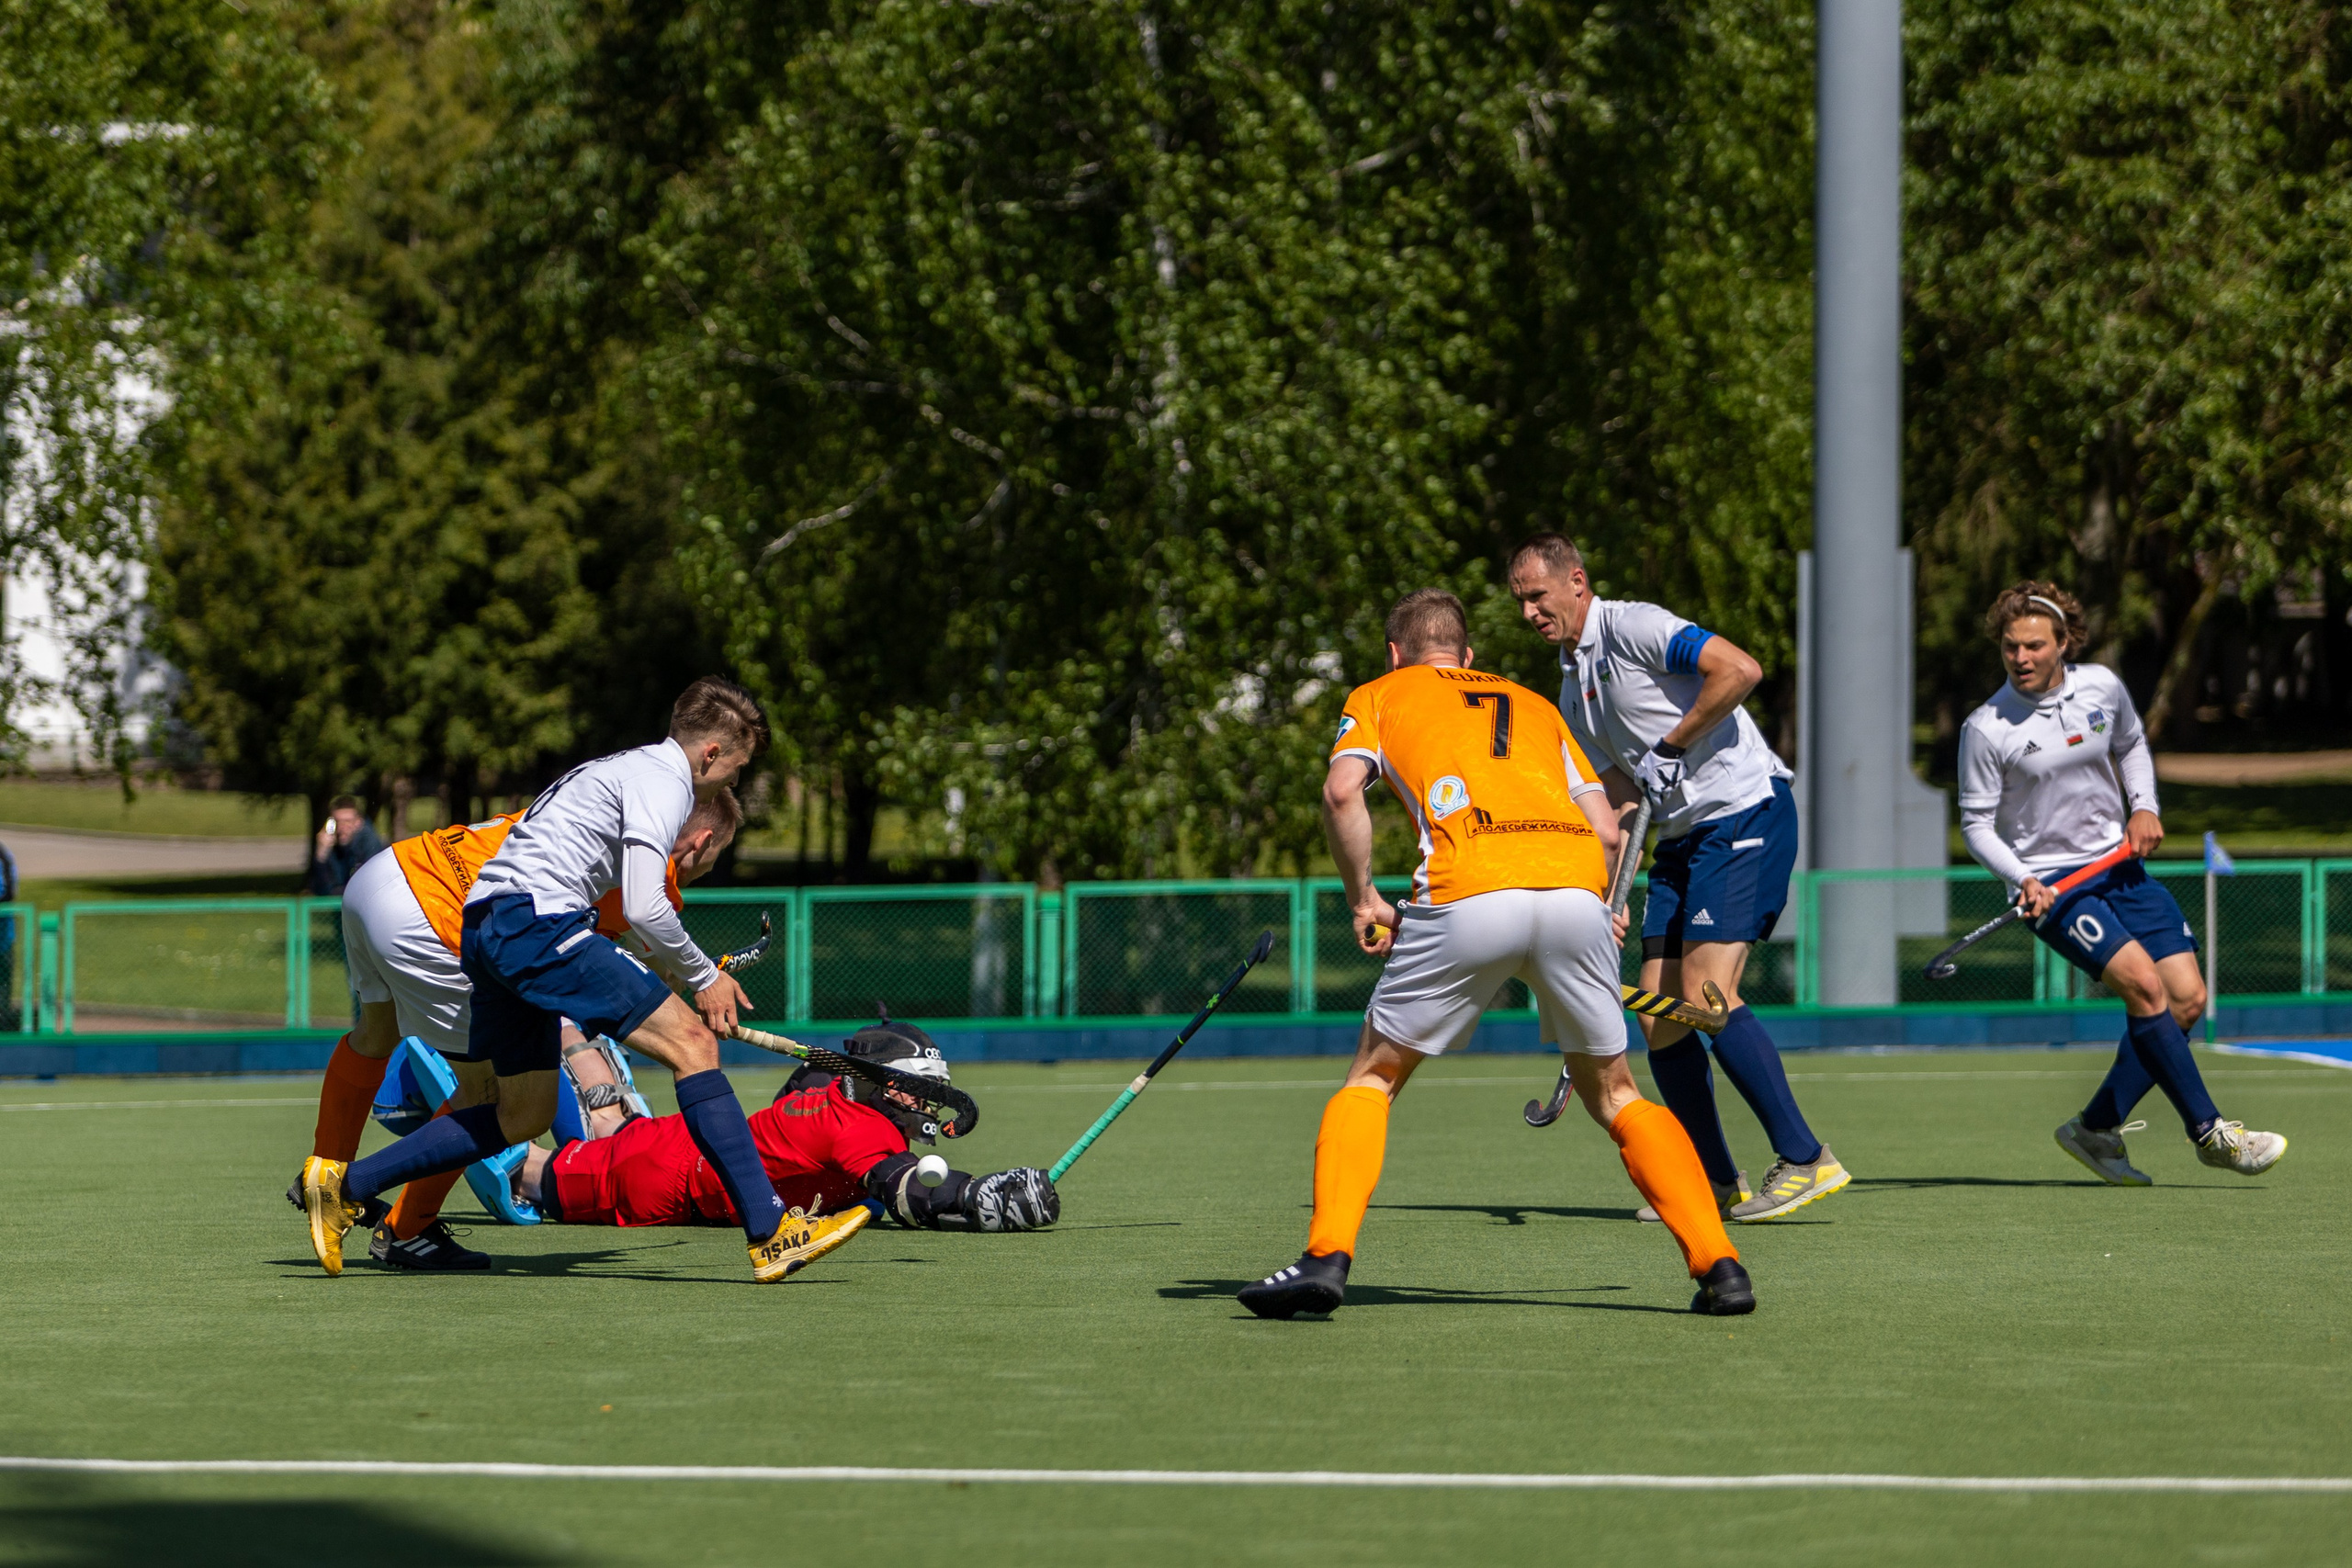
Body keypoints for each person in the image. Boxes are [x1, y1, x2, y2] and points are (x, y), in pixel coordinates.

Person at [1238, 588, 1755, 1319]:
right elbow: (1607, 830)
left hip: (1467, 888)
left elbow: (1342, 792)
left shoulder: (1380, 693)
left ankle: (1325, 1258)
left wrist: (1364, 898)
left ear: (1396, 652)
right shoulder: (1534, 705)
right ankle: (1720, 1265)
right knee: (1617, 1094)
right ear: (1468, 655)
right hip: (1576, 894)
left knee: (1375, 1075)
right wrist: (1604, 907)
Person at [303, 677, 863, 1284]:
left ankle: (345, 1187)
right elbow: (647, 907)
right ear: (710, 754)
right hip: (534, 921)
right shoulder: (666, 780)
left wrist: (672, 976)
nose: (729, 784)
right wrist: (704, 978)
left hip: (488, 923)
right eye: (734, 771)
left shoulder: (622, 766)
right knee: (693, 1045)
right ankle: (772, 1232)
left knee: (522, 1110)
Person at [1508, 533, 1847, 1224]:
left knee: (1707, 996)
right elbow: (1621, 802)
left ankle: (1808, 1158)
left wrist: (1672, 742)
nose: (1529, 613)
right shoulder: (1574, 686)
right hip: (1684, 836)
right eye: (1519, 602)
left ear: (1577, 581)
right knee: (1662, 1019)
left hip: (1745, 811)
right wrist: (1605, 897)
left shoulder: (1635, 626)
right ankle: (1714, 1182)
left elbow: (1740, 670)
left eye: (1537, 597)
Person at [289, 790, 742, 1271]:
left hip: (386, 872)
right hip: (436, 911)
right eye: (708, 862)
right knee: (487, 1095)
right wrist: (684, 977)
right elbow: (596, 956)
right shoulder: (655, 871)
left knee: (374, 1036)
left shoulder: (595, 807)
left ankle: (327, 1167)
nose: (696, 876)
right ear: (700, 841)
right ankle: (399, 1223)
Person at [1959, 582, 2287, 1182]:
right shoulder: (1987, 727)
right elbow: (1976, 824)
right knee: (2144, 986)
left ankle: (2096, 1126)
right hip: (2055, 887)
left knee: (2186, 998)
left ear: (2064, 643)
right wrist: (2022, 877)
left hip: (2120, 868)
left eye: (2035, 645)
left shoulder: (2103, 687)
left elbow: (2132, 744)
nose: (2022, 657)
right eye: (2011, 647)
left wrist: (2144, 805)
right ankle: (2211, 1131)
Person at [511, 1018, 1059, 1235]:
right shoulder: (866, 1130)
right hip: (663, 1185)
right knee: (527, 1171)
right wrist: (976, 1195)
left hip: (680, 1143)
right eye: (919, 1086)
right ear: (880, 1085)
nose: (930, 1101)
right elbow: (911, 1195)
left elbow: (798, 1090)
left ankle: (561, 1026)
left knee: (612, 1124)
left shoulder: (828, 1087)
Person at [310, 795, 387, 896]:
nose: (343, 827)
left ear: (358, 822)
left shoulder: (370, 843)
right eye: (338, 822)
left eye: (348, 821)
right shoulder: (330, 845)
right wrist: (321, 856)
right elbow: (321, 889)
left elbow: (368, 886)